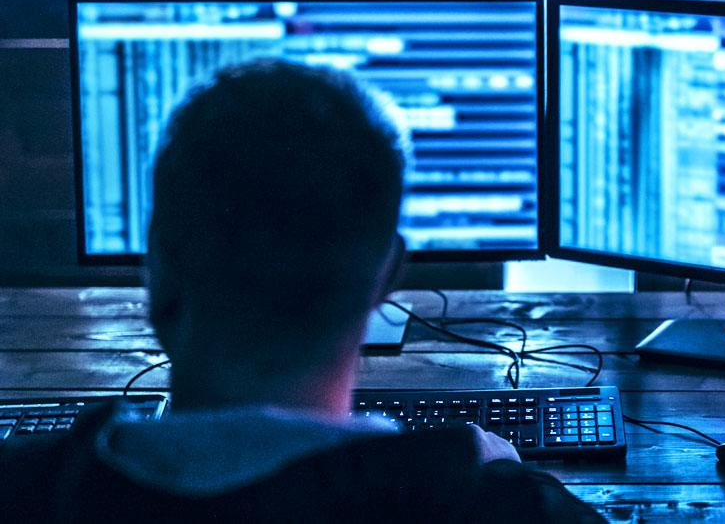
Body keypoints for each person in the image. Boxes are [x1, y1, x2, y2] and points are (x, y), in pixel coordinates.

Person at [1, 60, 604, 522]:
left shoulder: (24, 492)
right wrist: (512, 485)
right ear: (386, 275)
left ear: (157, 259)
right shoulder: (495, 509)